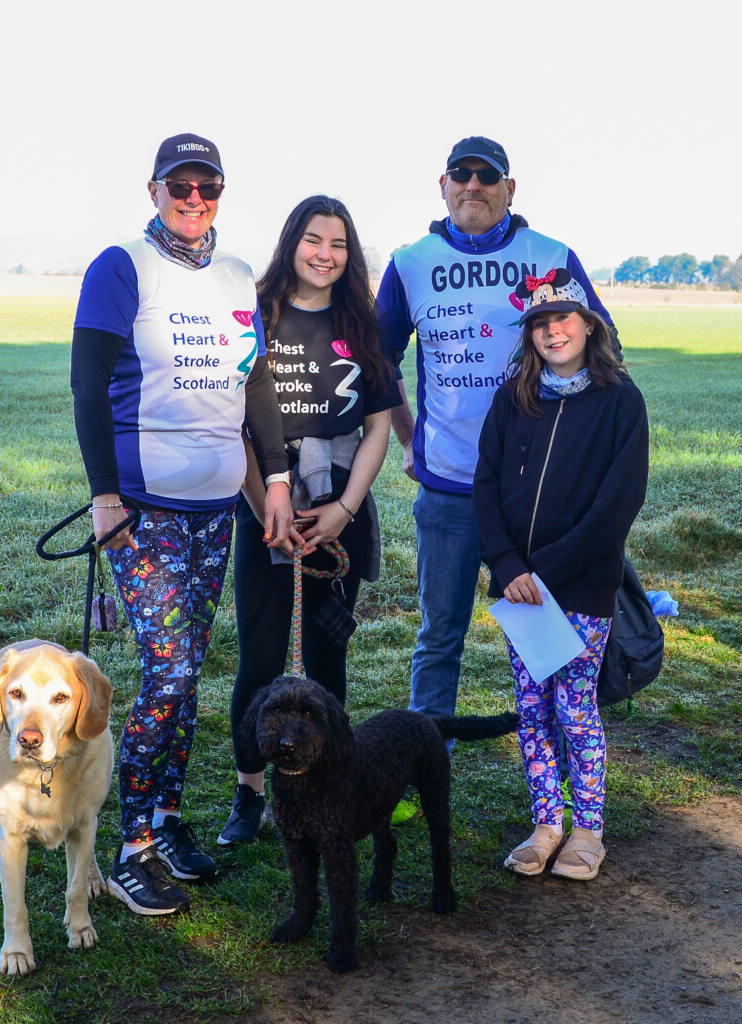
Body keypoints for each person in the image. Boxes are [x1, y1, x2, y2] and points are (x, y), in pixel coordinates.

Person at [70, 132, 294, 915]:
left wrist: (274, 479)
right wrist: (104, 497)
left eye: (208, 187)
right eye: (180, 185)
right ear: (155, 189)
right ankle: (127, 846)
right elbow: (87, 384)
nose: (193, 199)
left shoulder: (235, 276)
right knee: (167, 672)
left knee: (189, 672)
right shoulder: (122, 267)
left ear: (221, 194)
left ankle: (166, 822)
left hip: (214, 513)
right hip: (142, 511)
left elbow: (255, 385)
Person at [375, 136, 617, 730]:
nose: (474, 185)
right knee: (439, 637)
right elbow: (378, 362)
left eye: (489, 176)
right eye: (463, 174)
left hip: (538, 496)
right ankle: (426, 763)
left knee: (550, 638)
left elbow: (605, 352)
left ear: (511, 189)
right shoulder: (411, 262)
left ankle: (558, 769)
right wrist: (409, 440)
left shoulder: (551, 255)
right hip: (451, 489)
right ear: (443, 184)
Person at [219, 195, 402, 846]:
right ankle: (249, 793)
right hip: (262, 504)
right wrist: (263, 503)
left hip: (338, 510)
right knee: (262, 658)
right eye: (314, 240)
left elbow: (379, 426)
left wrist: (345, 508)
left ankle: (328, 786)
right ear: (292, 241)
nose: (325, 254)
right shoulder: (256, 313)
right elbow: (234, 418)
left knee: (328, 653)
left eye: (339, 244)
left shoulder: (363, 320)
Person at [472, 268, 648, 881]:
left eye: (563, 320)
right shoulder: (513, 397)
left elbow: (616, 505)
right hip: (520, 588)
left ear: (589, 326)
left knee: (575, 707)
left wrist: (543, 572)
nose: (552, 332)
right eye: (540, 324)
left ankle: (588, 830)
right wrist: (508, 565)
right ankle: (547, 823)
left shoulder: (620, 401)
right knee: (533, 705)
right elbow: (485, 485)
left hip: (579, 584)